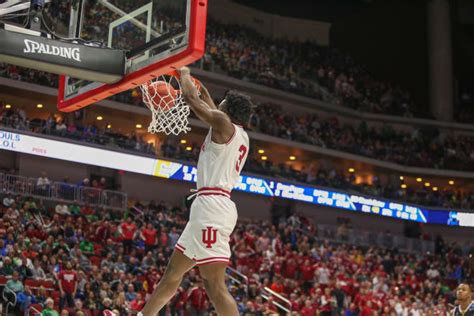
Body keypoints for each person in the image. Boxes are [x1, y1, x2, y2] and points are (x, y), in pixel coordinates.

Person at [139, 66, 253, 316]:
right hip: (210, 206)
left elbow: (192, 99)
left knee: (214, 284)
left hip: (212, 207)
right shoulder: (239, 134)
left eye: (222, 104)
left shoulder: (223, 123)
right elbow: (208, 103)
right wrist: (198, 85)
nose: (218, 105)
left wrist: (184, 74)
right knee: (172, 274)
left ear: (227, 110)